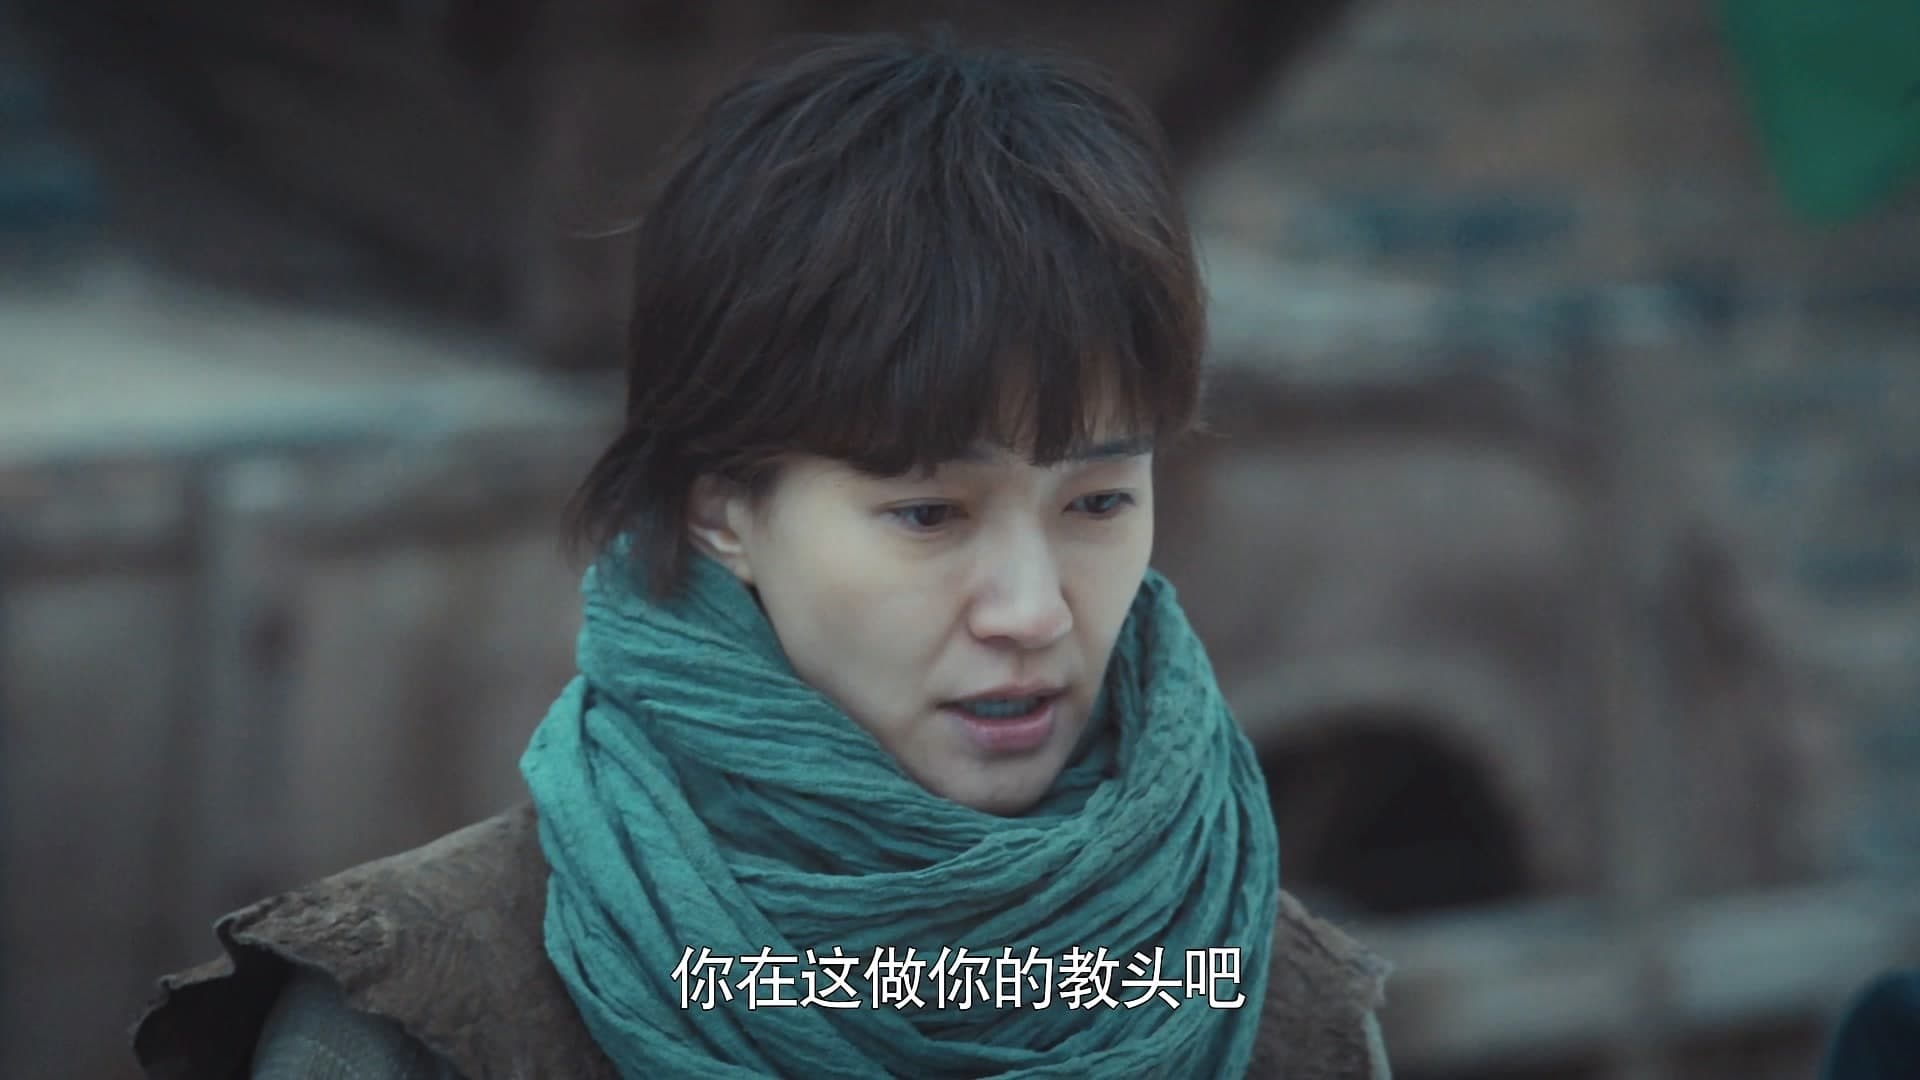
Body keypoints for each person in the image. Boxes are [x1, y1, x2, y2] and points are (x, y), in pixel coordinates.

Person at [132, 31, 1392, 1079]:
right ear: (719, 509)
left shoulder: (1273, 1001)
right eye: (929, 515)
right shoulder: (420, 1013)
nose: (1032, 610)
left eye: (1100, 502)